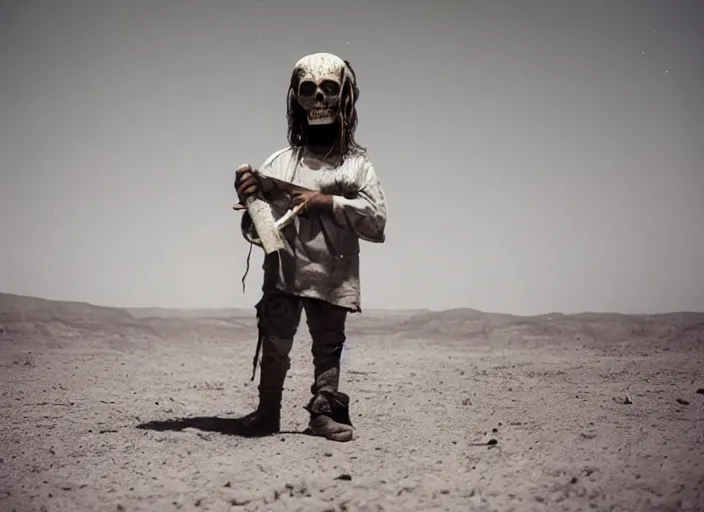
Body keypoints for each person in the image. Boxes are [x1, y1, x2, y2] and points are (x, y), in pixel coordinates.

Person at [232, 53, 387, 442]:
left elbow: (376, 221)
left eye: (329, 90)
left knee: (329, 343)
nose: (319, 99)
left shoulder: (356, 168)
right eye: (308, 90)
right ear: (296, 99)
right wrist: (252, 198)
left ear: (344, 98)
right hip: (285, 272)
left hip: (332, 273)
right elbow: (255, 227)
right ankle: (268, 412)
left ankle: (322, 413)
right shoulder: (279, 164)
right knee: (276, 338)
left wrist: (328, 202)